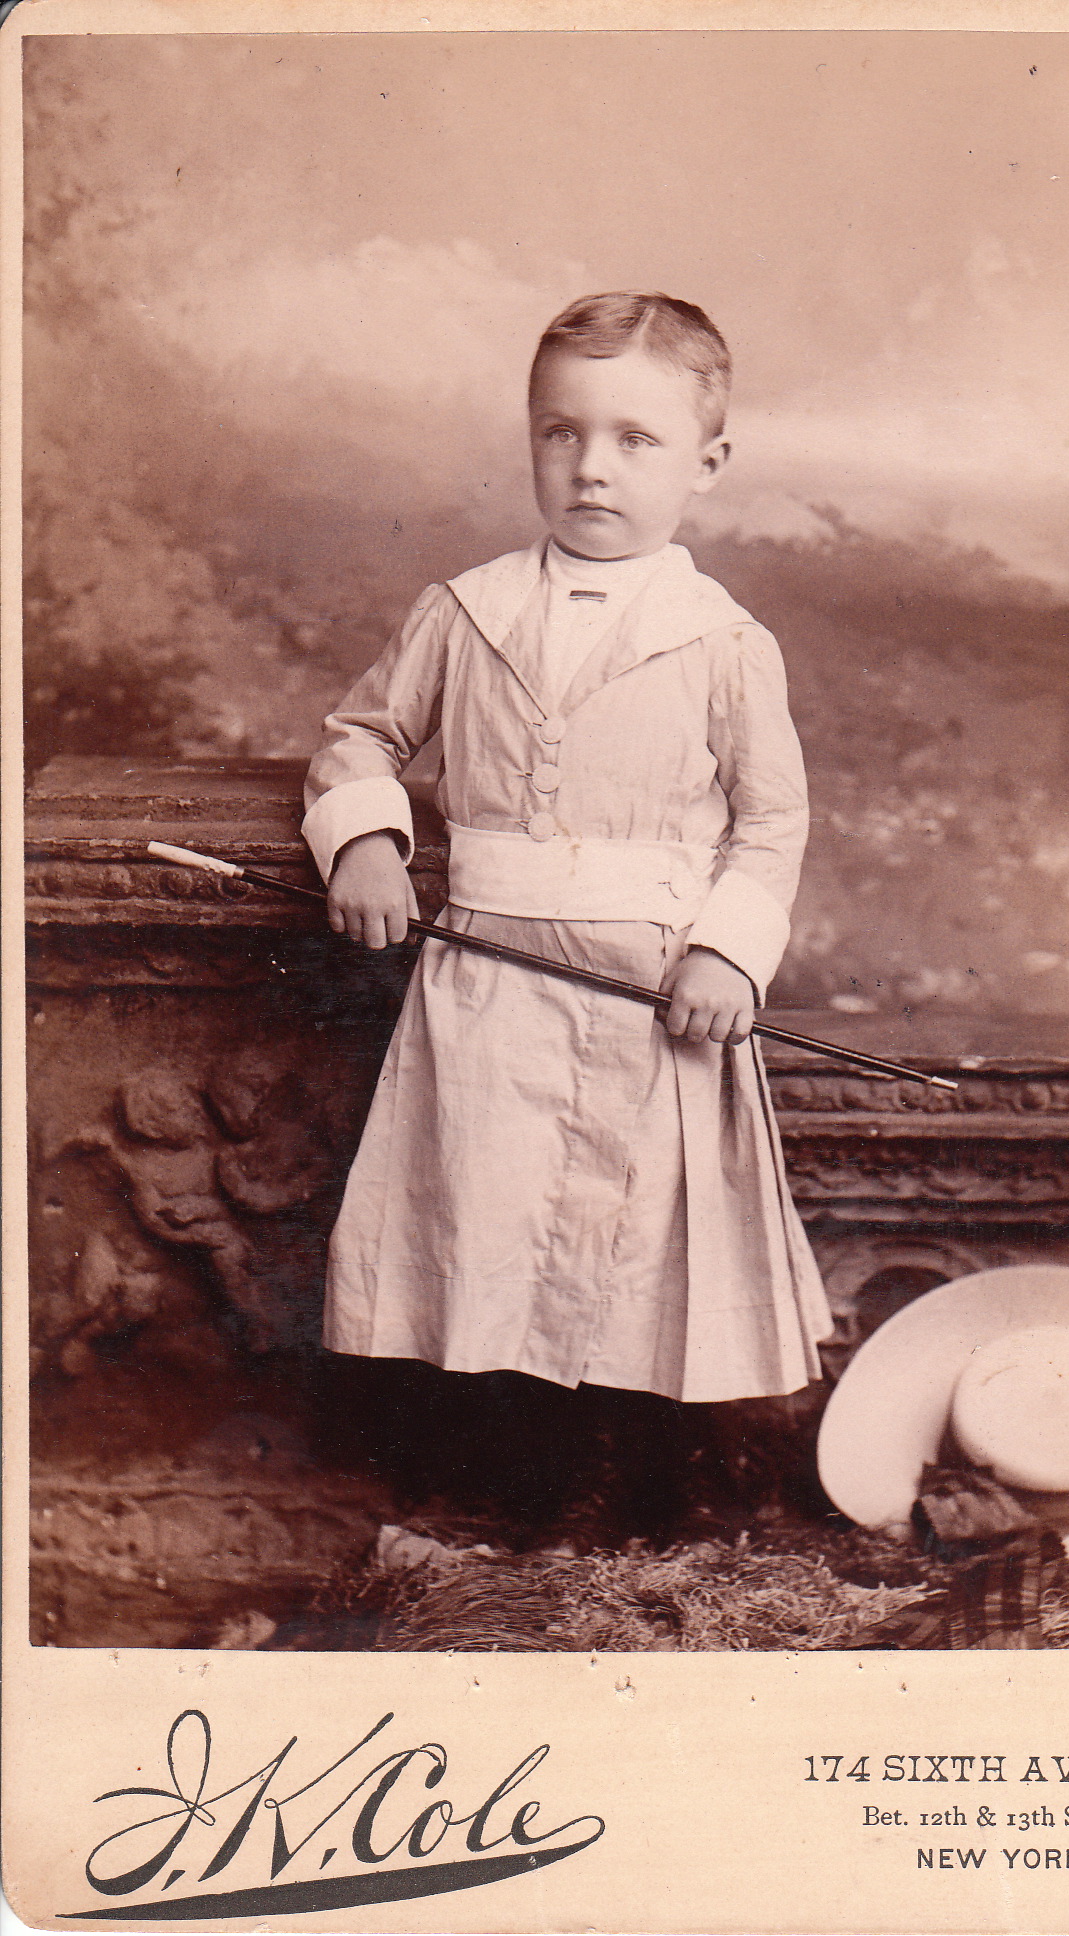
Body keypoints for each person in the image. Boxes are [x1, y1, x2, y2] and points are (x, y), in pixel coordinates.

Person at [302, 292, 832, 1543]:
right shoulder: (465, 610)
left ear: (706, 463)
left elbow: (770, 823)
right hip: (489, 981)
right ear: (531, 440)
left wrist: (726, 953)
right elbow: (358, 737)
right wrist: (368, 841)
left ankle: (651, 1483)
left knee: (637, 1232)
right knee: (488, 1216)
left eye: (634, 440)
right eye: (561, 432)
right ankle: (522, 1488)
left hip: (652, 992)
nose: (592, 467)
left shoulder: (722, 643)